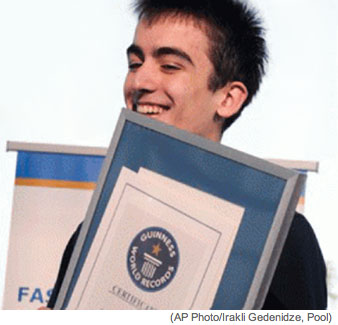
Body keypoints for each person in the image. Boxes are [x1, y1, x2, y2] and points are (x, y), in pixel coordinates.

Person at [46, 0, 327, 309]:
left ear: (228, 98)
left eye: (169, 66)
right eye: (134, 64)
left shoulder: (280, 240)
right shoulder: (98, 228)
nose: (140, 82)